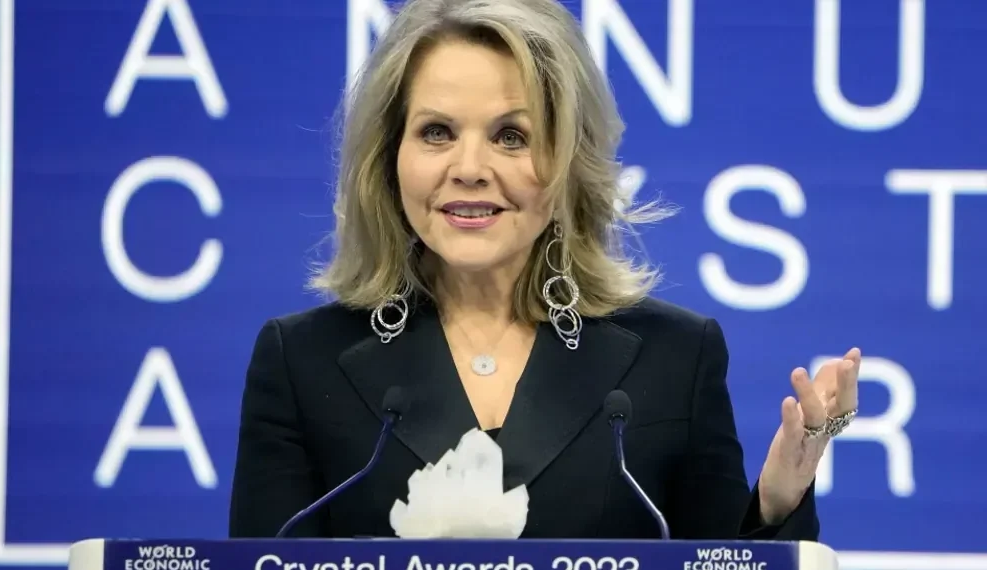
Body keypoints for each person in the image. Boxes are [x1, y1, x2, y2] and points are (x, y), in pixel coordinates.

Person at [228, 0, 860, 540]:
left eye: (510, 136)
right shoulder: (301, 362)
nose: (470, 167)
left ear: (567, 162)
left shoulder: (675, 358)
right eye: (437, 132)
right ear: (389, 159)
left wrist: (779, 502)